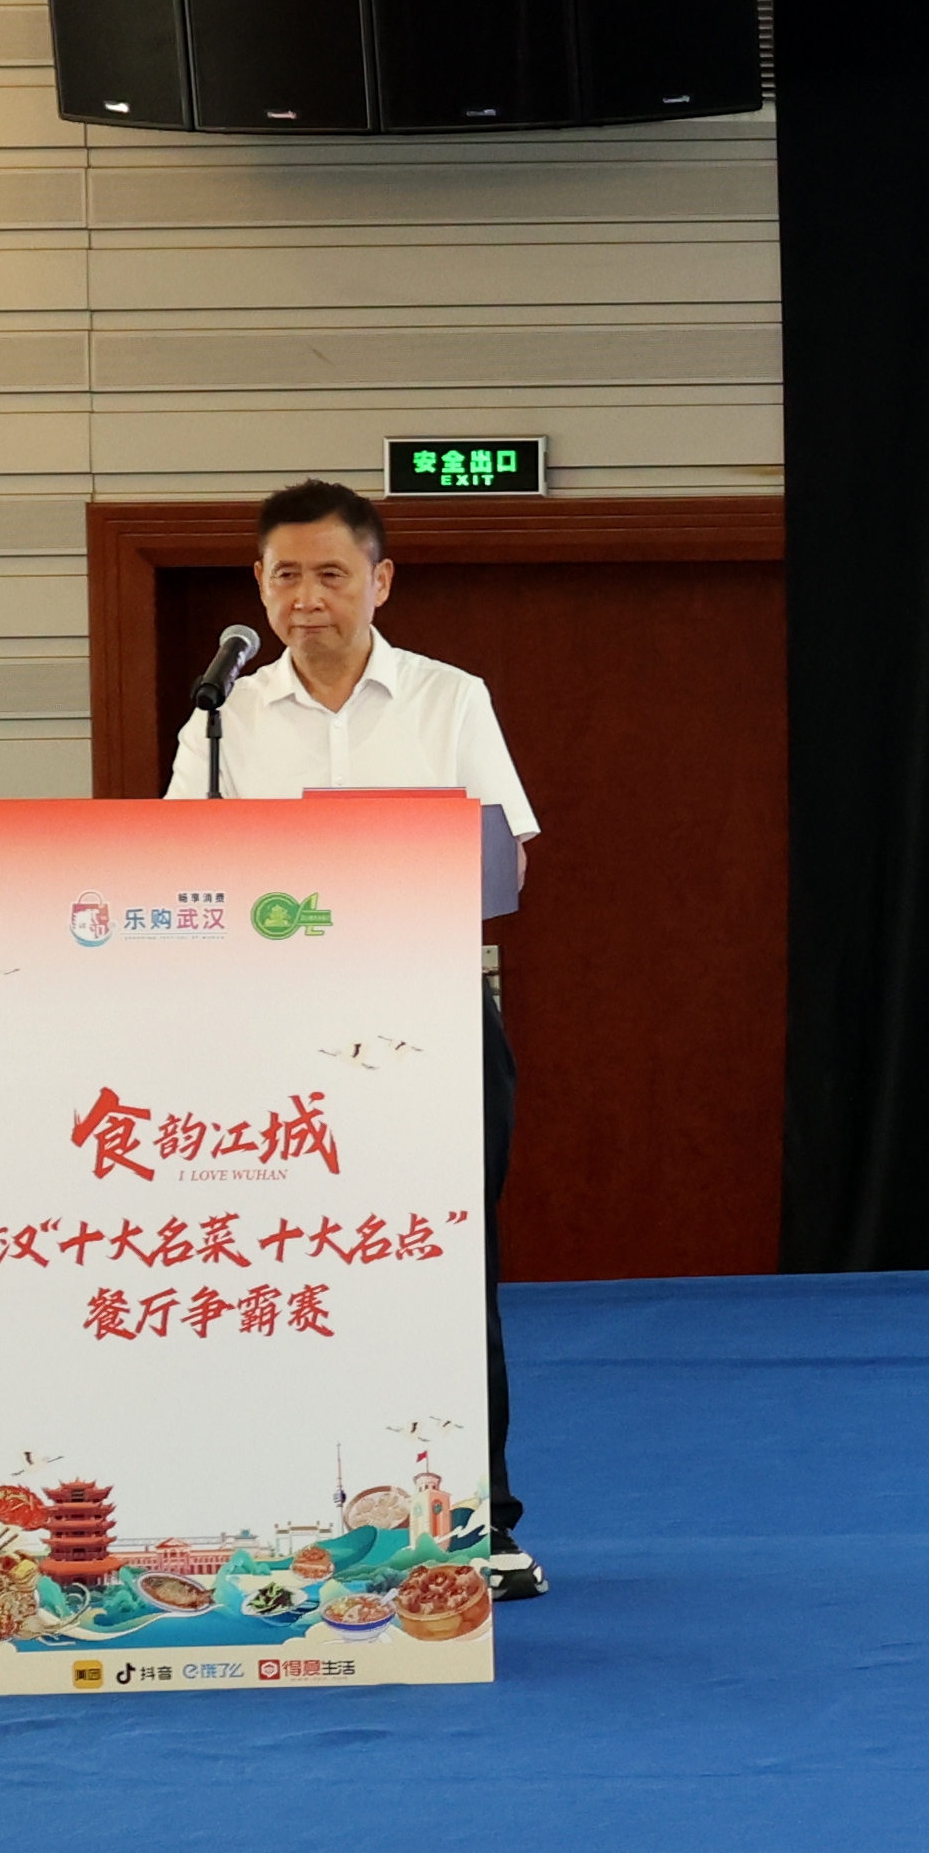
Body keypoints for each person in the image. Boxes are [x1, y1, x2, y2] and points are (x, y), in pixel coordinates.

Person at [165, 480, 549, 1601]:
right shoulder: (223, 718)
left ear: (380, 581)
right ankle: (289, 1509)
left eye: (332, 574)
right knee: (288, 1262)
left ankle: (480, 1522)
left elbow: (509, 858)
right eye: (285, 575)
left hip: (428, 1022)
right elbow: (176, 871)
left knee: (447, 1265)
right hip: (272, 1037)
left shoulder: (448, 698)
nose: (308, 598)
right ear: (258, 587)